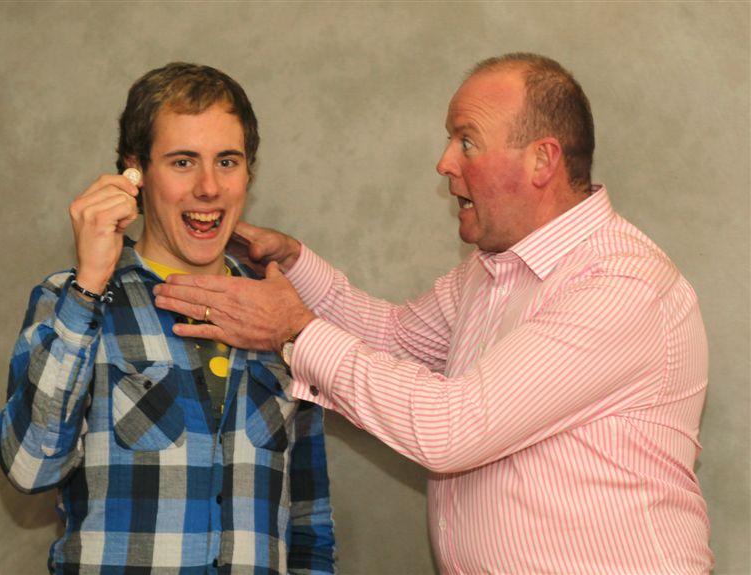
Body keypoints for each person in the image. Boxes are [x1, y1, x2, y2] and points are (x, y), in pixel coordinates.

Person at [153, 53, 714, 574]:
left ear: (542, 160)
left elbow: (452, 430)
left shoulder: (620, 284)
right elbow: (393, 338)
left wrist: (294, 331)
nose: (444, 163)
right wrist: (295, 265)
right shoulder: (490, 271)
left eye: (466, 141)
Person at [0, 62, 335, 575]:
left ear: (249, 171)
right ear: (135, 172)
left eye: (227, 161)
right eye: (182, 162)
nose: (209, 187)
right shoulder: (72, 302)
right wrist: (89, 285)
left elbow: (309, 527)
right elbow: (30, 466)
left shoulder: (280, 312)